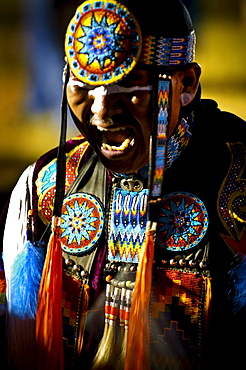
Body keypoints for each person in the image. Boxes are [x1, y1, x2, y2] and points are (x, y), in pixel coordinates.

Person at [1, 0, 246, 369]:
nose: (100, 110)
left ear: (188, 84)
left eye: (129, 85)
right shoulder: (44, 188)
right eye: (83, 86)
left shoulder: (237, 179)